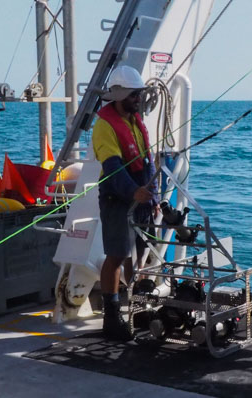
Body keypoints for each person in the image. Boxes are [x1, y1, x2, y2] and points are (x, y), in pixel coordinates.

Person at [92, 65, 157, 340]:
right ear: (118, 96)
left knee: (141, 252)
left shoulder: (135, 120)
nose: (138, 99)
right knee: (117, 254)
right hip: (116, 197)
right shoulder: (104, 126)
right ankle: (112, 316)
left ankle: (138, 307)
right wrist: (133, 193)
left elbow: (147, 159)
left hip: (141, 195)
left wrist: (152, 195)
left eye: (139, 94)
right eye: (133, 95)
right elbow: (113, 167)